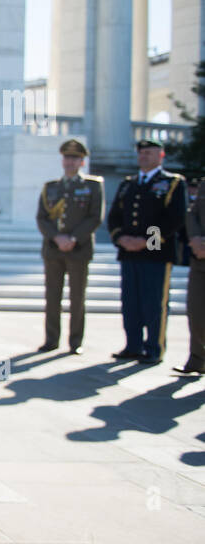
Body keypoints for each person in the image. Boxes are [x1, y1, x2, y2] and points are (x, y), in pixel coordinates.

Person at [108, 138, 187, 365]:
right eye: (142, 153)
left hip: (155, 253)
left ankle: (153, 348)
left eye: (150, 153)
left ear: (161, 156)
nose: (144, 157)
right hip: (128, 252)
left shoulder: (172, 183)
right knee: (130, 302)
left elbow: (174, 218)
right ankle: (132, 345)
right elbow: (115, 216)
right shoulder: (127, 184)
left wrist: (145, 241)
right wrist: (121, 238)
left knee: (154, 303)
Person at [36, 139, 104, 354]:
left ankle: (75, 342)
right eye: (67, 158)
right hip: (54, 249)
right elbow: (42, 218)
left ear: (82, 162)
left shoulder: (92, 186)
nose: (70, 162)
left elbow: (95, 217)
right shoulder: (51, 187)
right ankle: (51, 339)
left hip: (78, 249)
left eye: (75, 158)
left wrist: (73, 238)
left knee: (77, 298)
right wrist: (57, 238)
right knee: (52, 297)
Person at [178, 177, 204, 375]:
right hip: (199, 259)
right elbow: (192, 213)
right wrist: (195, 238)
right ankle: (198, 357)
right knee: (195, 311)